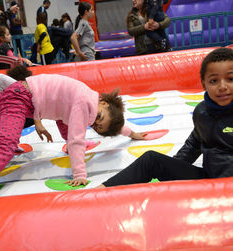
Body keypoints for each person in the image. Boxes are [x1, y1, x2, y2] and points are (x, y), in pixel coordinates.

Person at [0, 64, 145, 200]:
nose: (94, 122)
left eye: (97, 127)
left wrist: (130, 133)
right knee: (5, 146)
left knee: (65, 119)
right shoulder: (85, 102)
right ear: (104, 103)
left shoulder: (90, 100)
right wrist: (80, 174)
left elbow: (110, 121)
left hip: (23, 97)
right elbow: (76, 140)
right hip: (18, 98)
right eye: (98, 117)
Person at [97, 47, 233, 188]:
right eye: (214, 81)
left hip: (227, 187)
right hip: (210, 181)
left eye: (230, 79)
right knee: (152, 160)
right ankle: (100, 192)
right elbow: (194, 144)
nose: (222, 86)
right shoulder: (202, 111)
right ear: (204, 84)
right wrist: (172, 169)